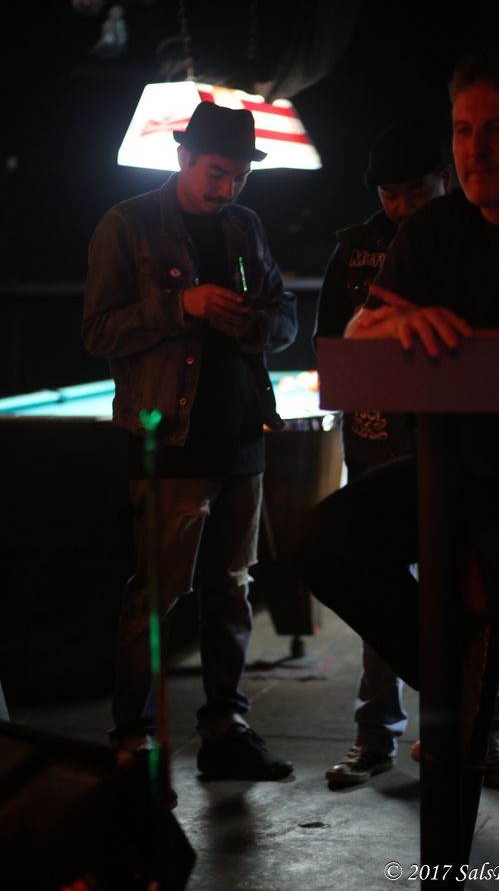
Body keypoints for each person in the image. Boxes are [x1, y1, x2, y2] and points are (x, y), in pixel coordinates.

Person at [295, 48, 499, 878]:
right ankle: (453, 658)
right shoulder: (434, 228)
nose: (474, 150)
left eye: (496, 131)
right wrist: (399, 326)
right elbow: (357, 341)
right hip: (454, 469)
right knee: (320, 539)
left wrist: (465, 347)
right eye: (463, 131)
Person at [82, 101, 297, 782]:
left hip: (241, 436)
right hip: (170, 441)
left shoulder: (245, 225)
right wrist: (185, 306)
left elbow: (286, 316)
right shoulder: (127, 224)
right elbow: (99, 331)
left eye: (239, 177)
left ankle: (225, 732)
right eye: (215, 173)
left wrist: (253, 324)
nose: (227, 188)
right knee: (158, 593)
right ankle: (132, 739)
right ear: (182, 159)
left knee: (231, 591)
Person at [315, 121, 452, 786]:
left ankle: (478, 730)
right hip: (376, 439)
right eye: (390, 194)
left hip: (458, 444)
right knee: (379, 589)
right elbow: (331, 351)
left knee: (467, 587)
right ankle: (376, 736)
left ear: (444, 180)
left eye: (415, 191)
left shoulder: (470, 236)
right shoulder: (355, 250)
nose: (401, 206)